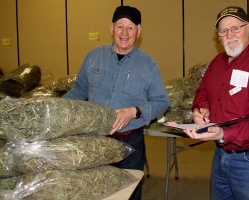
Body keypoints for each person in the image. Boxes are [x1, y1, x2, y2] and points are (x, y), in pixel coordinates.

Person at [63, 5, 170, 200]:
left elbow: (162, 101)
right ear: (111, 28)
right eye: (120, 26)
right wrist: (53, 110)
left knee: (129, 192)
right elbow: (79, 90)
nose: (124, 33)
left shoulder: (148, 64)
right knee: (96, 191)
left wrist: (134, 112)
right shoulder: (93, 56)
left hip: (130, 144)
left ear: (139, 31)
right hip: (95, 141)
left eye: (131, 27)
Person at [184, 6, 249, 200]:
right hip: (221, 154)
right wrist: (202, 108)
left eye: (235, 28)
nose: (230, 34)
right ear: (218, 36)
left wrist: (224, 133)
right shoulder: (217, 63)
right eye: (223, 30)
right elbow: (202, 92)